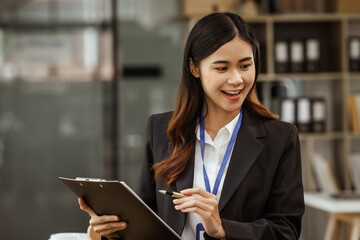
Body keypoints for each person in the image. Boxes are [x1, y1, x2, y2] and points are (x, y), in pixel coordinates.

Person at [79, 12, 304, 240]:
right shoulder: (160, 130)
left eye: (245, 66)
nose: (237, 79)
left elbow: (287, 231)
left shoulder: (281, 138)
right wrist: (104, 232)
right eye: (222, 68)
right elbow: (145, 221)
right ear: (194, 68)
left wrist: (223, 229)